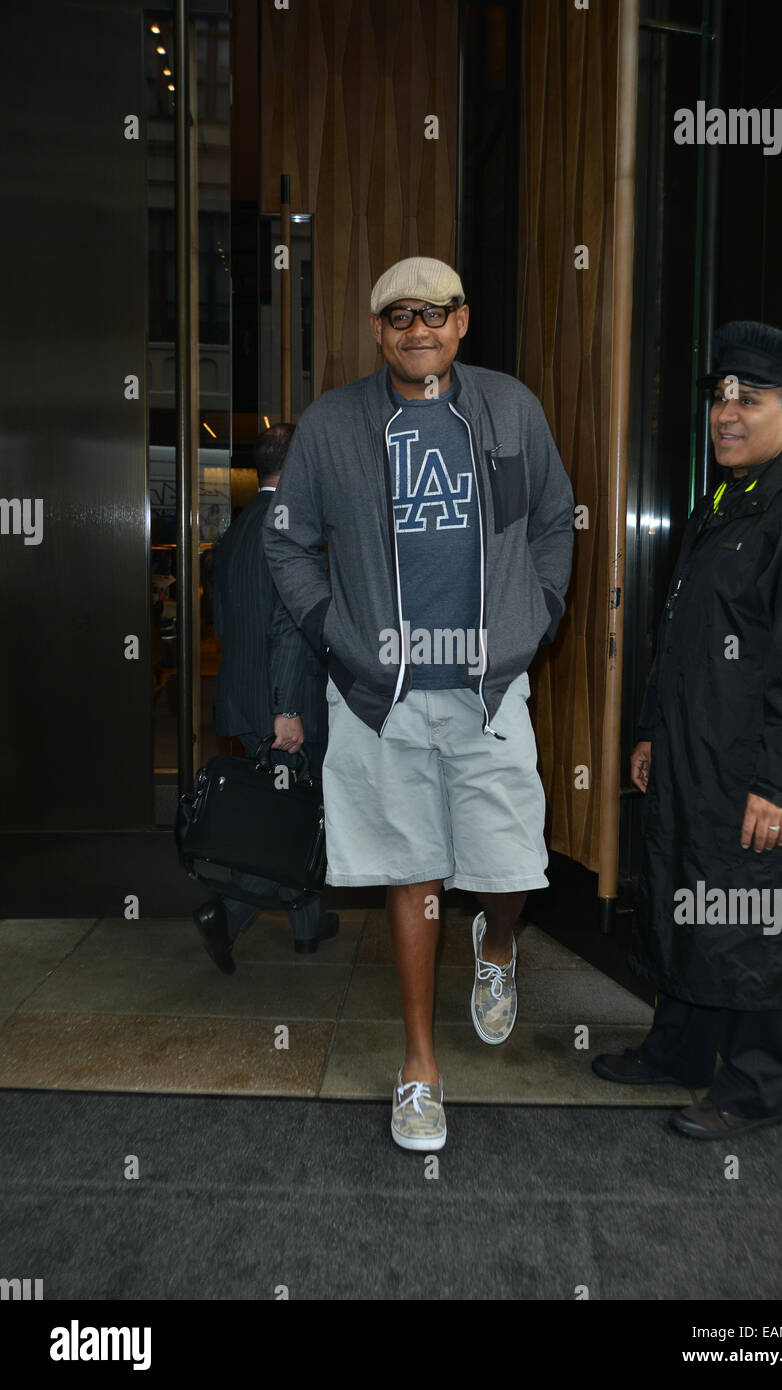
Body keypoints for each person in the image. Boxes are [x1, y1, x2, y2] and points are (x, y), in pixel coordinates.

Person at [263, 256, 574, 1149]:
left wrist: (538, 615)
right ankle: (418, 1069)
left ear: (462, 321)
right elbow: (286, 547)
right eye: (397, 315)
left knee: (512, 868)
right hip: (382, 697)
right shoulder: (332, 426)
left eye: (433, 312)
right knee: (414, 875)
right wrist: (338, 637)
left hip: (487, 687)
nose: (417, 329)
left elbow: (555, 519)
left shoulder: (510, 408)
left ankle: (499, 944)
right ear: (377, 331)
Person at [594, 321, 782, 1138]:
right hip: (691, 759)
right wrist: (647, 733)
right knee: (689, 905)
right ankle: (677, 1051)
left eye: (749, 398)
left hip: (754, 772)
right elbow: (676, 635)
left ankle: (752, 1089)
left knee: (752, 923)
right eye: (719, 396)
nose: (727, 412)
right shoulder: (723, 502)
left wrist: (779, 785)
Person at [193, 423, 338, 973]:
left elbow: (225, 622)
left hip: (246, 696)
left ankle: (307, 926)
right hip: (284, 705)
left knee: (295, 810)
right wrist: (289, 709)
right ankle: (225, 915)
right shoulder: (294, 526)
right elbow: (288, 626)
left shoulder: (237, 528)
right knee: (294, 823)